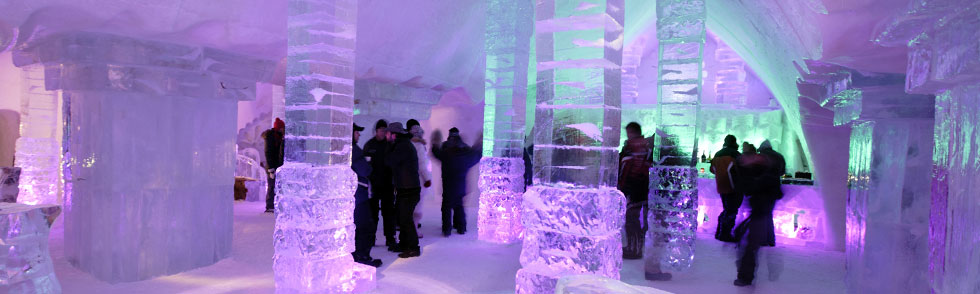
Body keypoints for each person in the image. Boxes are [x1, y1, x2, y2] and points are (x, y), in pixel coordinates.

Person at [732, 140, 785, 287]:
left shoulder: (762, 165)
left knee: (751, 242)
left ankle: (745, 276)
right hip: (761, 205)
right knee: (754, 237)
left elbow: (748, 187)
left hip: (760, 205)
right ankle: (768, 240)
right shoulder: (770, 162)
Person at [431, 128, 483, 236]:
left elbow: (436, 153)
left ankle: (447, 229)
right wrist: (480, 143)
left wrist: (435, 143)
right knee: (459, 206)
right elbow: (476, 155)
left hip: (448, 184)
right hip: (461, 185)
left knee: (446, 207)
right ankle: (461, 227)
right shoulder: (466, 151)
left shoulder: (446, 152)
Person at [385, 122, 422, 258]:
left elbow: (389, 161)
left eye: (388, 133)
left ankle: (413, 247)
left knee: (405, 219)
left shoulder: (402, 146)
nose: (386, 136)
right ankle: (404, 244)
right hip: (406, 188)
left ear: (394, 135)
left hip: (409, 189)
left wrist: (388, 146)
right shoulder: (402, 144)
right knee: (402, 218)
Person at [618, 122, 652, 259]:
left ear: (632, 132)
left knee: (631, 219)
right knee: (635, 219)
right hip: (643, 187)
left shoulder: (632, 146)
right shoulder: (646, 146)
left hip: (632, 188)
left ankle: (634, 249)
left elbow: (626, 167)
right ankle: (635, 247)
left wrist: (622, 186)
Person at [350, 123, 382, 267]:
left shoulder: (341, 149)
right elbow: (364, 170)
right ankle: (362, 257)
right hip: (359, 194)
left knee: (356, 226)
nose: (359, 135)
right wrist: (370, 166)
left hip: (351, 195)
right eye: (357, 132)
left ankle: (356, 255)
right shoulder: (355, 150)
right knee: (365, 226)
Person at [363, 119, 398, 249]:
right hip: (374, 185)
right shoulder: (369, 145)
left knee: (388, 213)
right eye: (381, 130)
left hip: (388, 184)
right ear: (376, 131)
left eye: (385, 130)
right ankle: (371, 238)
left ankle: (390, 238)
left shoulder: (390, 145)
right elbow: (365, 164)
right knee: (372, 214)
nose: (383, 132)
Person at [710, 135, 742, 242]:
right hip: (734, 186)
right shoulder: (735, 154)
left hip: (721, 185)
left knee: (727, 209)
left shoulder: (717, 154)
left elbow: (712, 169)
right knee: (731, 210)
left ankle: (719, 232)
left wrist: (721, 174)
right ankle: (725, 234)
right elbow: (741, 169)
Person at [406, 119, 432, 238]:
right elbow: (422, 164)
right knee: (417, 207)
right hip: (419, 180)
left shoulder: (407, 143)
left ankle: (409, 230)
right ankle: (414, 231)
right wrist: (427, 178)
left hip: (407, 179)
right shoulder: (419, 145)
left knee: (409, 206)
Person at [263, 118, 285, 213]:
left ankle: (275, 204)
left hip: (277, 165)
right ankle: (270, 205)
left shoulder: (278, 137)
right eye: (282, 128)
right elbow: (268, 153)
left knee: (276, 185)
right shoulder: (271, 138)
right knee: (272, 185)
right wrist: (271, 169)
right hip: (271, 166)